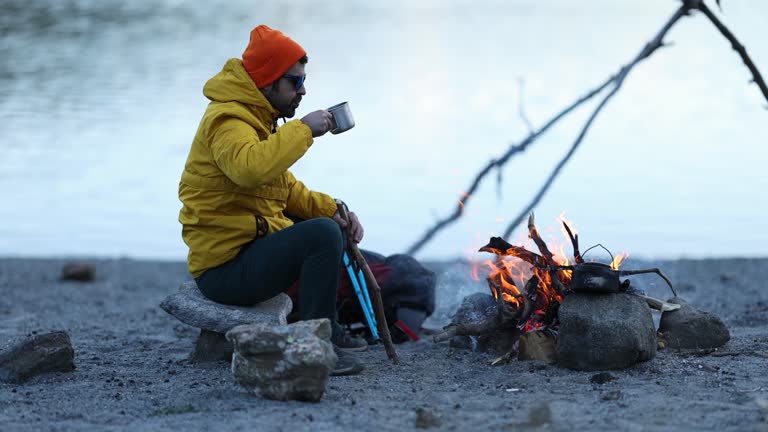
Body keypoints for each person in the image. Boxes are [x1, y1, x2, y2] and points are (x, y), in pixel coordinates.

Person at [178, 25, 366, 375]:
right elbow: (250, 169)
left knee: (327, 226)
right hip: (223, 269)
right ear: (267, 81)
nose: (303, 90)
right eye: (295, 82)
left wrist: (335, 209)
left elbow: (284, 189)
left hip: (247, 249)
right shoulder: (228, 121)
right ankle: (316, 348)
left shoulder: (260, 120)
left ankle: (327, 329)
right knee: (321, 234)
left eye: (303, 81)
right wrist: (305, 130)